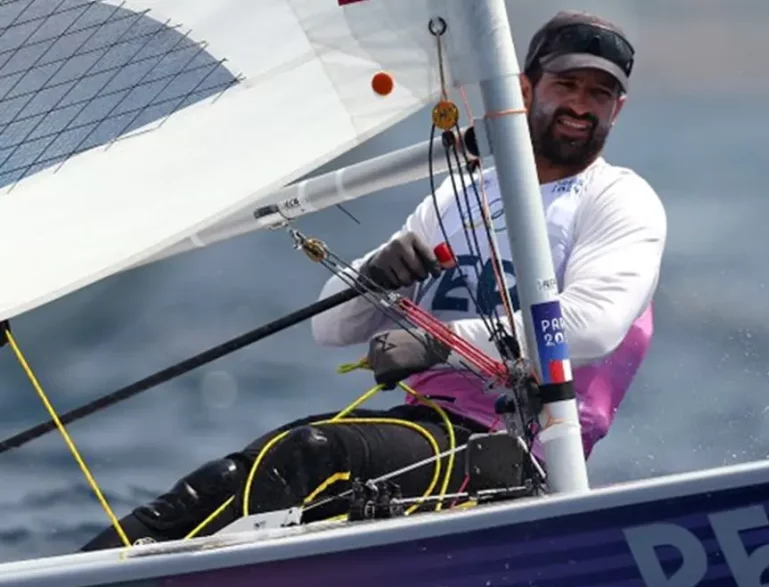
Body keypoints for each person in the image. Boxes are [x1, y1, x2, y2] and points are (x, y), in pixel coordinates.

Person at [81, 9, 666, 551]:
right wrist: (373, 274)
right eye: (567, 85)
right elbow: (332, 328)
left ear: (617, 108)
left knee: (306, 455)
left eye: (600, 94)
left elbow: (593, 326)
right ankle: (63, 580)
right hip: (425, 433)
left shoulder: (618, 200)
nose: (581, 106)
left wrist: (441, 342)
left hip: (513, 455)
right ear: (523, 89)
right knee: (218, 485)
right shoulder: (460, 198)